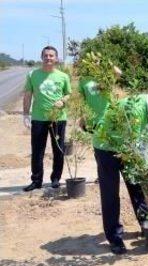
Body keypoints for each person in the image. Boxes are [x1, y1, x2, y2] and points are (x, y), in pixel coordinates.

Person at [92, 91, 148, 254]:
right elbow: (134, 144)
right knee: (111, 193)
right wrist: (143, 169)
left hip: (127, 147)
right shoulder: (137, 110)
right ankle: (115, 238)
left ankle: (147, 226)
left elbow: (145, 141)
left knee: (137, 186)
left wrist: (144, 171)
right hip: (106, 147)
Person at [22, 46, 71, 192]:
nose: (48, 58)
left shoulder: (63, 76)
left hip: (58, 118)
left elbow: (69, 94)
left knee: (58, 149)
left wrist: (63, 101)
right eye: (46, 55)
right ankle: (36, 181)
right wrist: (25, 114)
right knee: (37, 151)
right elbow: (28, 95)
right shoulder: (33, 75)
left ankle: (55, 179)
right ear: (41, 57)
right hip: (38, 118)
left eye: (51, 56)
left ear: (56, 58)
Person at [79, 66, 122, 132]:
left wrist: (108, 63)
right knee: (95, 140)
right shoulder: (83, 80)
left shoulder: (105, 77)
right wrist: (82, 117)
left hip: (106, 117)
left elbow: (119, 72)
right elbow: (82, 100)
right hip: (91, 119)